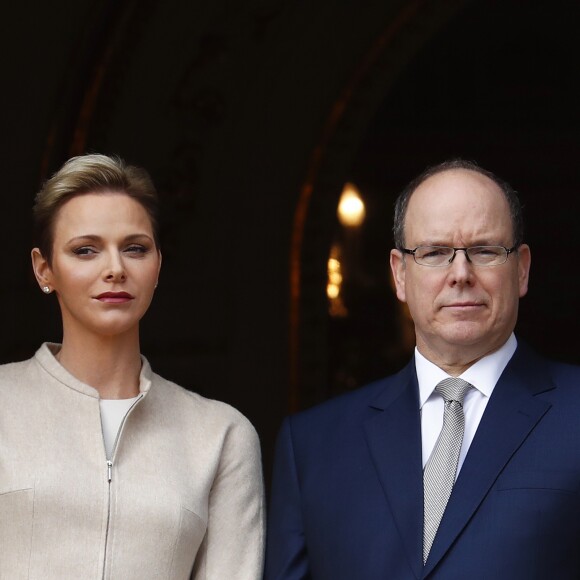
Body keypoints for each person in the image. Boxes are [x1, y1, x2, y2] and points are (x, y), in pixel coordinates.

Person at [264, 159, 580, 579]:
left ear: (521, 269)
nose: (460, 274)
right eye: (434, 253)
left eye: (484, 250)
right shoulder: (312, 447)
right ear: (399, 274)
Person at [0, 154, 264, 578]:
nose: (115, 269)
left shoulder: (221, 436)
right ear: (44, 268)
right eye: (85, 250)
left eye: (134, 248)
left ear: (158, 264)